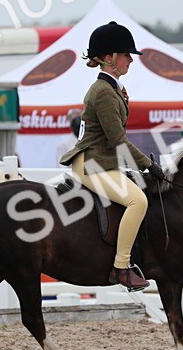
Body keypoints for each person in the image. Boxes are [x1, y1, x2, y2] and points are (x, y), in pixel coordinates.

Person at [58, 21, 165, 291]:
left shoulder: (113, 88)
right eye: (126, 55)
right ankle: (121, 268)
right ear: (109, 59)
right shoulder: (104, 92)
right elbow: (118, 140)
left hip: (103, 161)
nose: (131, 59)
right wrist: (148, 164)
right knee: (137, 201)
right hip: (91, 164)